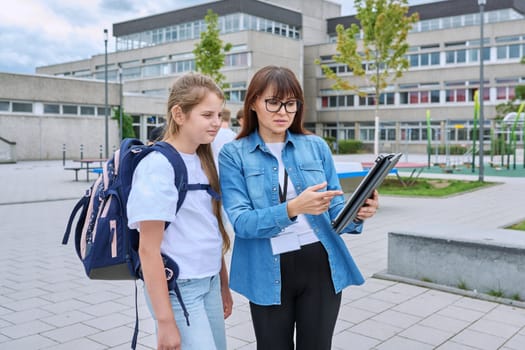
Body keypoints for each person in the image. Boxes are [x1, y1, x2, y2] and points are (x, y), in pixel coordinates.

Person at [218, 65, 379, 350]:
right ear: (254, 102)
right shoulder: (234, 153)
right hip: (266, 266)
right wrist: (291, 208)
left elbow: (335, 206)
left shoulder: (315, 146)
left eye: (290, 103)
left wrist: (357, 214)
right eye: (273, 102)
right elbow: (241, 222)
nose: (283, 111)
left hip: (320, 262)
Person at [127, 72, 233, 350]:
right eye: (207, 114)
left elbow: (209, 227)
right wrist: (165, 322)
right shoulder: (158, 166)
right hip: (180, 289)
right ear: (179, 113)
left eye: (219, 115)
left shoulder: (203, 159)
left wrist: (222, 284)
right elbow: (148, 250)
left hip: (208, 282)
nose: (216, 123)